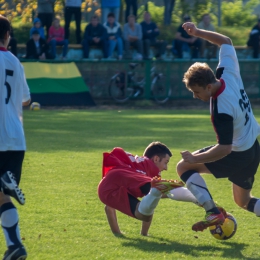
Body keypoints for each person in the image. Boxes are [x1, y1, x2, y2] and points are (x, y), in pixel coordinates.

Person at [176, 22, 260, 232]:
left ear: (208, 86)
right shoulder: (226, 72)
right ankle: (215, 211)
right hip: (253, 147)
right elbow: (225, 41)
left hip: (237, 153)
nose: (196, 97)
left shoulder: (221, 109)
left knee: (183, 167)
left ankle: (212, 211)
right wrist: (197, 32)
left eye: (197, 92)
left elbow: (225, 148)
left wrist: (195, 159)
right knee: (243, 201)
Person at [98, 142, 184, 235]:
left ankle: (139, 233)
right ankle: (195, 197)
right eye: (165, 163)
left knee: (149, 202)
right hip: (110, 186)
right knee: (149, 202)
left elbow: (150, 200)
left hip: (109, 185)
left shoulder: (144, 166)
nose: (166, 168)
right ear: (156, 159)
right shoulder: (144, 169)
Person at [0, 15, 30, 260]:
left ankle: (3, 180)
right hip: (16, 139)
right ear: (7, 35)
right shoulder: (15, 61)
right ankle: (15, 246)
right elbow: (25, 100)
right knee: (2, 197)